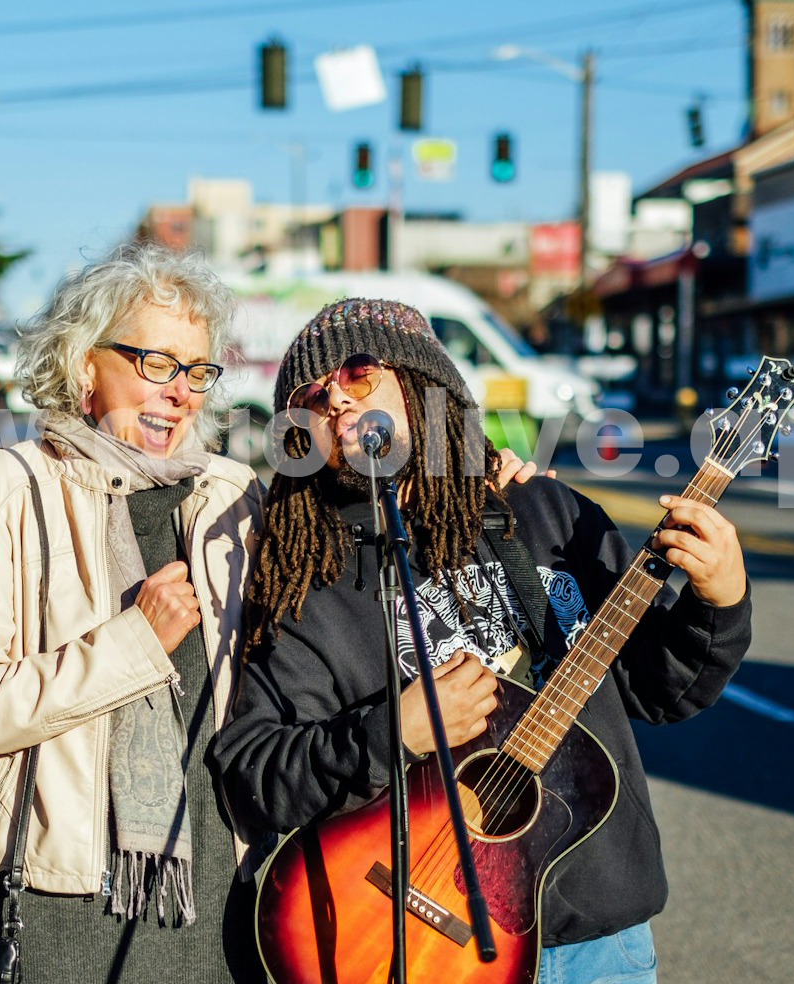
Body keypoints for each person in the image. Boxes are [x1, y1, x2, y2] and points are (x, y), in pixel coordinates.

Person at [208, 298, 753, 984]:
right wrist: (388, 734)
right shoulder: (307, 580)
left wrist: (720, 600)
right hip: (426, 943)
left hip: (598, 940)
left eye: (356, 372)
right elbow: (252, 774)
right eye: (312, 396)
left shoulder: (549, 514)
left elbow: (662, 690)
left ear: (423, 384)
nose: (336, 399)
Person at [0, 246, 266, 984]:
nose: (181, 392)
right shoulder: (1, 489)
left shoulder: (232, 497)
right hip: (54, 904)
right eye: (156, 362)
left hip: (214, 899)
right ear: (83, 366)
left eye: (198, 370)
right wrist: (136, 642)